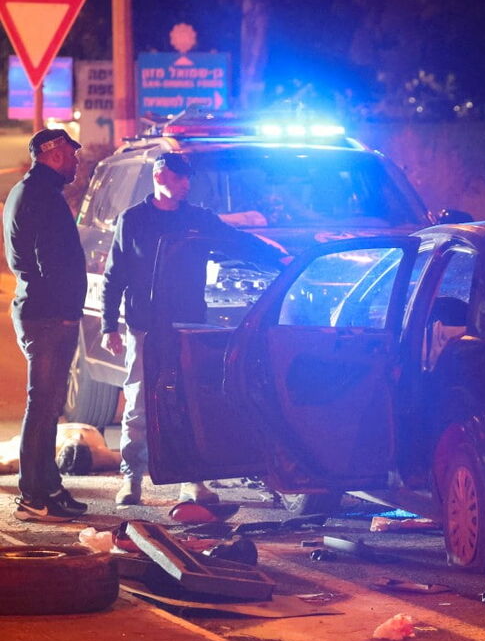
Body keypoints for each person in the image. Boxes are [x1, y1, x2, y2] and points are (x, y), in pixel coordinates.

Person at [100, 152, 282, 507]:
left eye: (187, 178)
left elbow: (238, 241)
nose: (186, 184)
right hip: (145, 326)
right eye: (179, 177)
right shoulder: (133, 220)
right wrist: (110, 326)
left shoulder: (197, 219)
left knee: (188, 400)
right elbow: (114, 274)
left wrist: (280, 258)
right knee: (139, 402)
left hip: (187, 326)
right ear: (160, 176)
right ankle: (132, 478)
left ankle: (193, 480)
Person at [2, 129, 89, 522]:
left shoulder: (35, 192)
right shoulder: (39, 196)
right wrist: (66, 310)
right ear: (52, 154)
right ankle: (33, 497)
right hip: (48, 316)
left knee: (50, 406)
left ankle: (49, 488)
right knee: (42, 407)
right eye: (71, 154)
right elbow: (48, 262)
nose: (76, 161)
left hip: (45, 312)